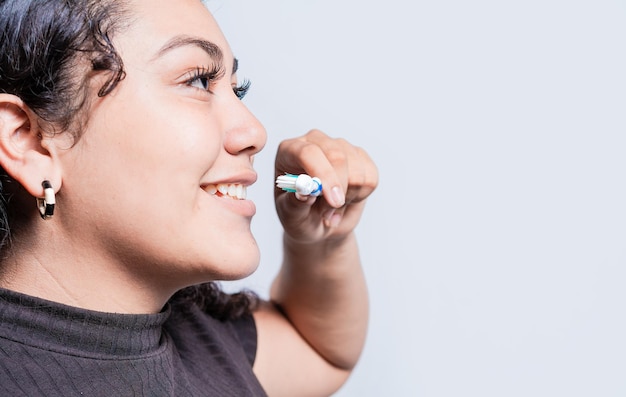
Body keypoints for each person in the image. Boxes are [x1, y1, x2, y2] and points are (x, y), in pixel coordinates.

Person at [0, 0, 378, 396]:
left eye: (238, 90)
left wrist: (320, 239)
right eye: (198, 80)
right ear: (31, 143)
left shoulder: (204, 344)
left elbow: (318, 350)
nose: (255, 132)